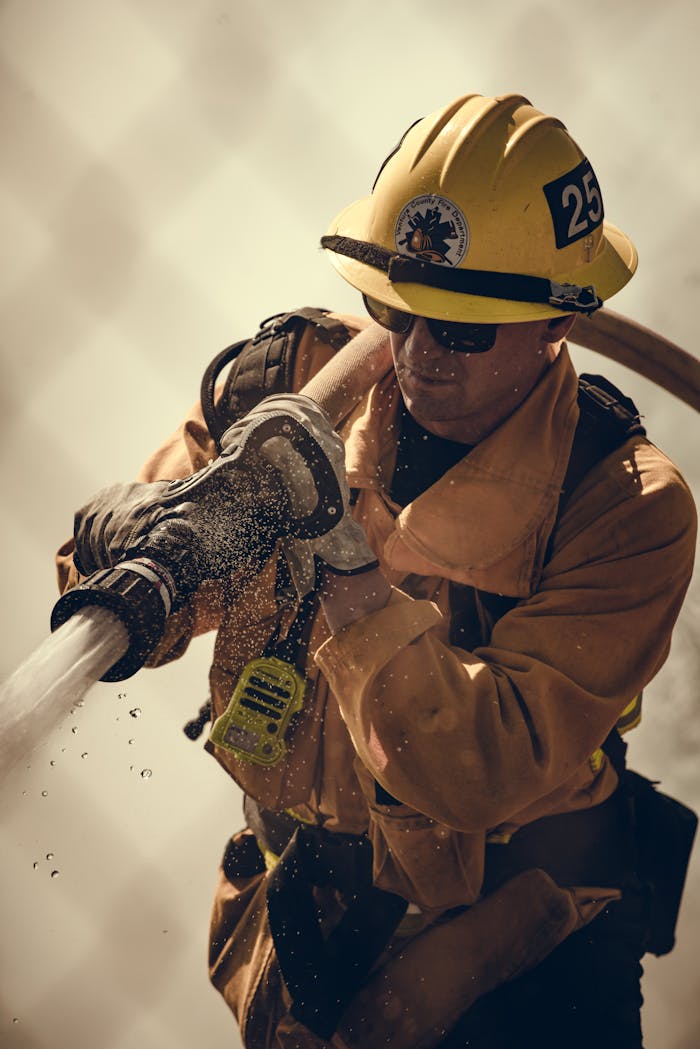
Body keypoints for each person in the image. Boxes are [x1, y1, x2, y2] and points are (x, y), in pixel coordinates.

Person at [57, 93, 697, 1048]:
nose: (415, 355)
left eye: (463, 329)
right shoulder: (291, 382)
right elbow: (114, 557)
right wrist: (142, 529)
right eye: (392, 310)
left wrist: (342, 561)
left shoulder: (624, 506)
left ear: (559, 324)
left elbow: (475, 767)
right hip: (304, 933)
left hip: (527, 970)